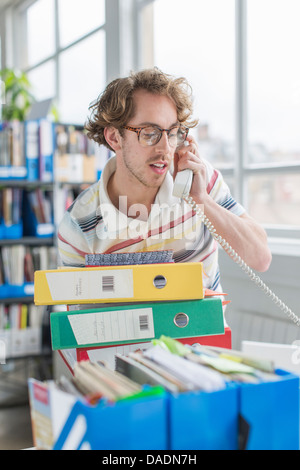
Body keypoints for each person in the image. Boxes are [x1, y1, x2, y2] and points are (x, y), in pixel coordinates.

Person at [57, 68, 272, 298]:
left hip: (205, 332)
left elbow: (260, 257)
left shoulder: (199, 180)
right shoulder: (78, 225)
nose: (165, 149)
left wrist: (202, 200)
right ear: (114, 137)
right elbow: (78, 322)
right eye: (149, 133)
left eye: (172, 133)